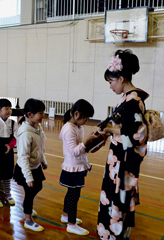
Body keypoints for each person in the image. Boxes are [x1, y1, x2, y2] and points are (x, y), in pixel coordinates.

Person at [97, 49, 148, 239]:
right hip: (118, 160)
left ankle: (113, 235)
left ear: (122, 78)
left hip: (123, 164)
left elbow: (137, 135)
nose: (110, 86)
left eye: (111, 82)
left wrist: (110, 130)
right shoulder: (128, 99)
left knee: (117, 203)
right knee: (115, 202)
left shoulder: (133, 101)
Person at [59, 99, 99, 236]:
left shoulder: (78, 127)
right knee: (73, 196)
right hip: (72, 168)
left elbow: (82, 150)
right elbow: (75, 152)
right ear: (76, 114)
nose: (86, 121)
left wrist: (95, 143)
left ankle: (65, 215)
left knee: (71, 194)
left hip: (78, 167)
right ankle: (71, 224)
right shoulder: (69, 129)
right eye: (86, 118)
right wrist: (87, 142)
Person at [13, 98, 47, 232]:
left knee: (38, 187)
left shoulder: (37, 127)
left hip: (35, 166)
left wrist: (43, 160)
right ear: (29, 115)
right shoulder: (26, 133)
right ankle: (28, 219)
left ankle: (27, 205)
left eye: (43, 112)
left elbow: (40, 148)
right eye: (40, 113)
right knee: (30, 191)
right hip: (25, 169)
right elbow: (23, 157)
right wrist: (28, 177)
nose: (42, 116)